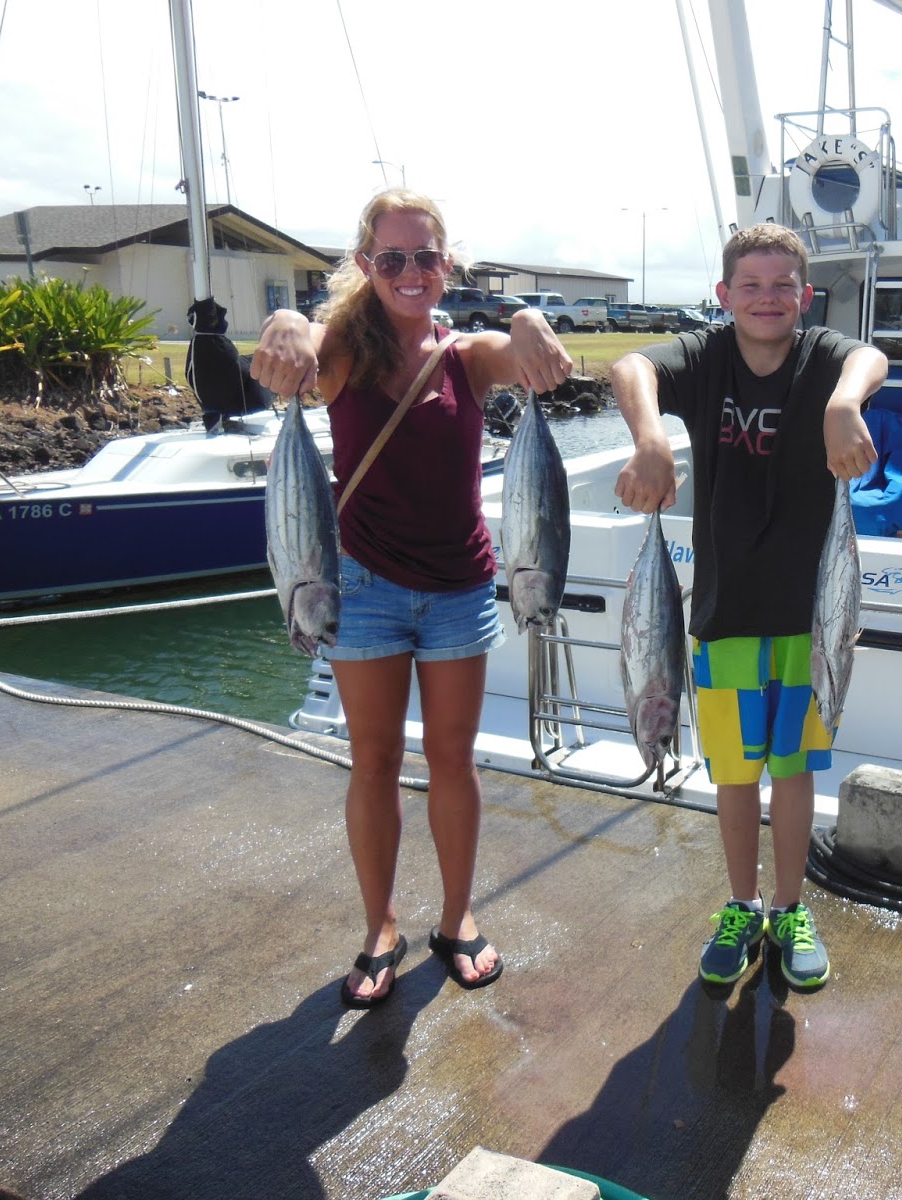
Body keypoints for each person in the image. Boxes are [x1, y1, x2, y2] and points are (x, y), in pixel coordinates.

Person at [250, 189, 571, 1007]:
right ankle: (381, 928)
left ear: (446, 264)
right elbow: (302, 343)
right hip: (360, 586)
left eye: (424, 256)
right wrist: (283, 322)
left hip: (461, 586)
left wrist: (529, 319)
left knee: (454, 760)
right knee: (375, 762)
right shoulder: (343, 352)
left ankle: (458, 918)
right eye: (390, 258)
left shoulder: (465, 357)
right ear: (366, 264)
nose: (409, 271)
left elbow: (511, 349)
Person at [611, 223, 887, 991]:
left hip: (810, 619)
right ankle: (742, 905)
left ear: (806, 296)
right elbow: (632, 365)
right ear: (724, 295)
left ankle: (790, 909)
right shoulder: (706, 358)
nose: (768, 299)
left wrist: (844, 401)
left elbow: (871, 357)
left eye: (783, 286)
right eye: (751, 286)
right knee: (735, 776)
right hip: (725, 616)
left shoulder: (822, 356)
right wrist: (650, 438)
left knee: (792, 772)